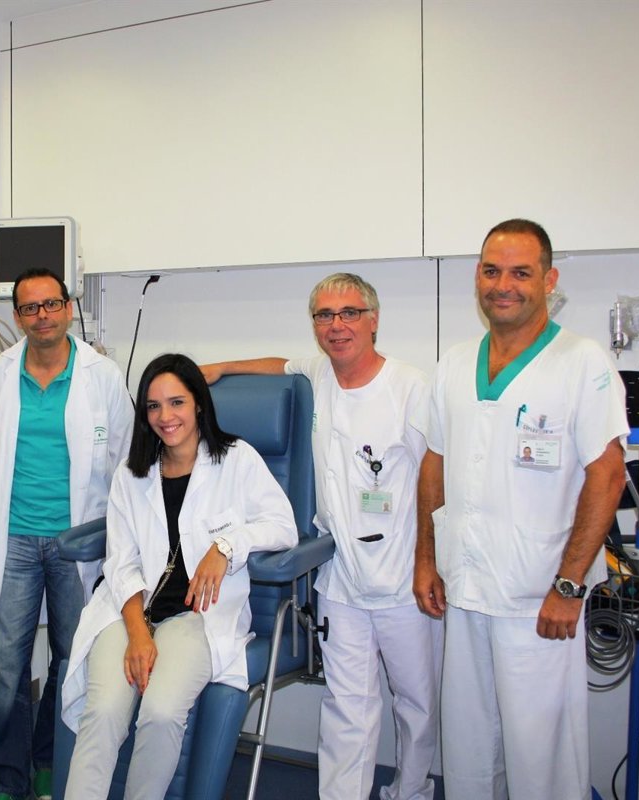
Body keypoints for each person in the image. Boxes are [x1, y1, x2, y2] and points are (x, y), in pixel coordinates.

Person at [202, 273, 441, 800]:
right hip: (341, 577)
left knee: (416, 704)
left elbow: (435, 478)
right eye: (325, 315)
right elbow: (276, 365)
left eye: (349, 313)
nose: (337, 325)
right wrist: (220, 367)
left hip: (404, 577)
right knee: (346, 704)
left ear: (373, 320)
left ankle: (411, 792)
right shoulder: (318, 375)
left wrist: (428, 562)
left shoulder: (410, 386)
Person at [414, 219, 628, 800]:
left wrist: (569, 585)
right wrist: (426, 559)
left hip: (539, 598)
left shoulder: (581, 362)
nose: (502, 285)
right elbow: (434, 464)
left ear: (548, 280)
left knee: (541, 756)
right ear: (477, 277)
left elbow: (608, 476)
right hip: (465, 589)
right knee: (468, 747)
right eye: (491, 271)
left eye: (520, 273)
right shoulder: (456, 363)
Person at [61, 353, 297, 799]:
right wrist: (138, 635)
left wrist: (226, 546)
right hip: (129, 612)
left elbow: (284, 527)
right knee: (103, 712)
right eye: (153, 406)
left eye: (177, 402)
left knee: (162, 712)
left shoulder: (236, 460)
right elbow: (120, 561)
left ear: (198, 404)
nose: (165, 416)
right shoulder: (132, 474)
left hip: (197, 618)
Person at [0, 268, 134, 800]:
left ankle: (48, 761)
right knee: (7, 667)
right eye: (30, 307)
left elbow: (124, 457)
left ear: (68, 307)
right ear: (16, 315)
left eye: (51, 304)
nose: (41, 316)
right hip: (16, 540)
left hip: (77, 543)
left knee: (71, 658)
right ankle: (6, 778)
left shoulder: (101, 375)